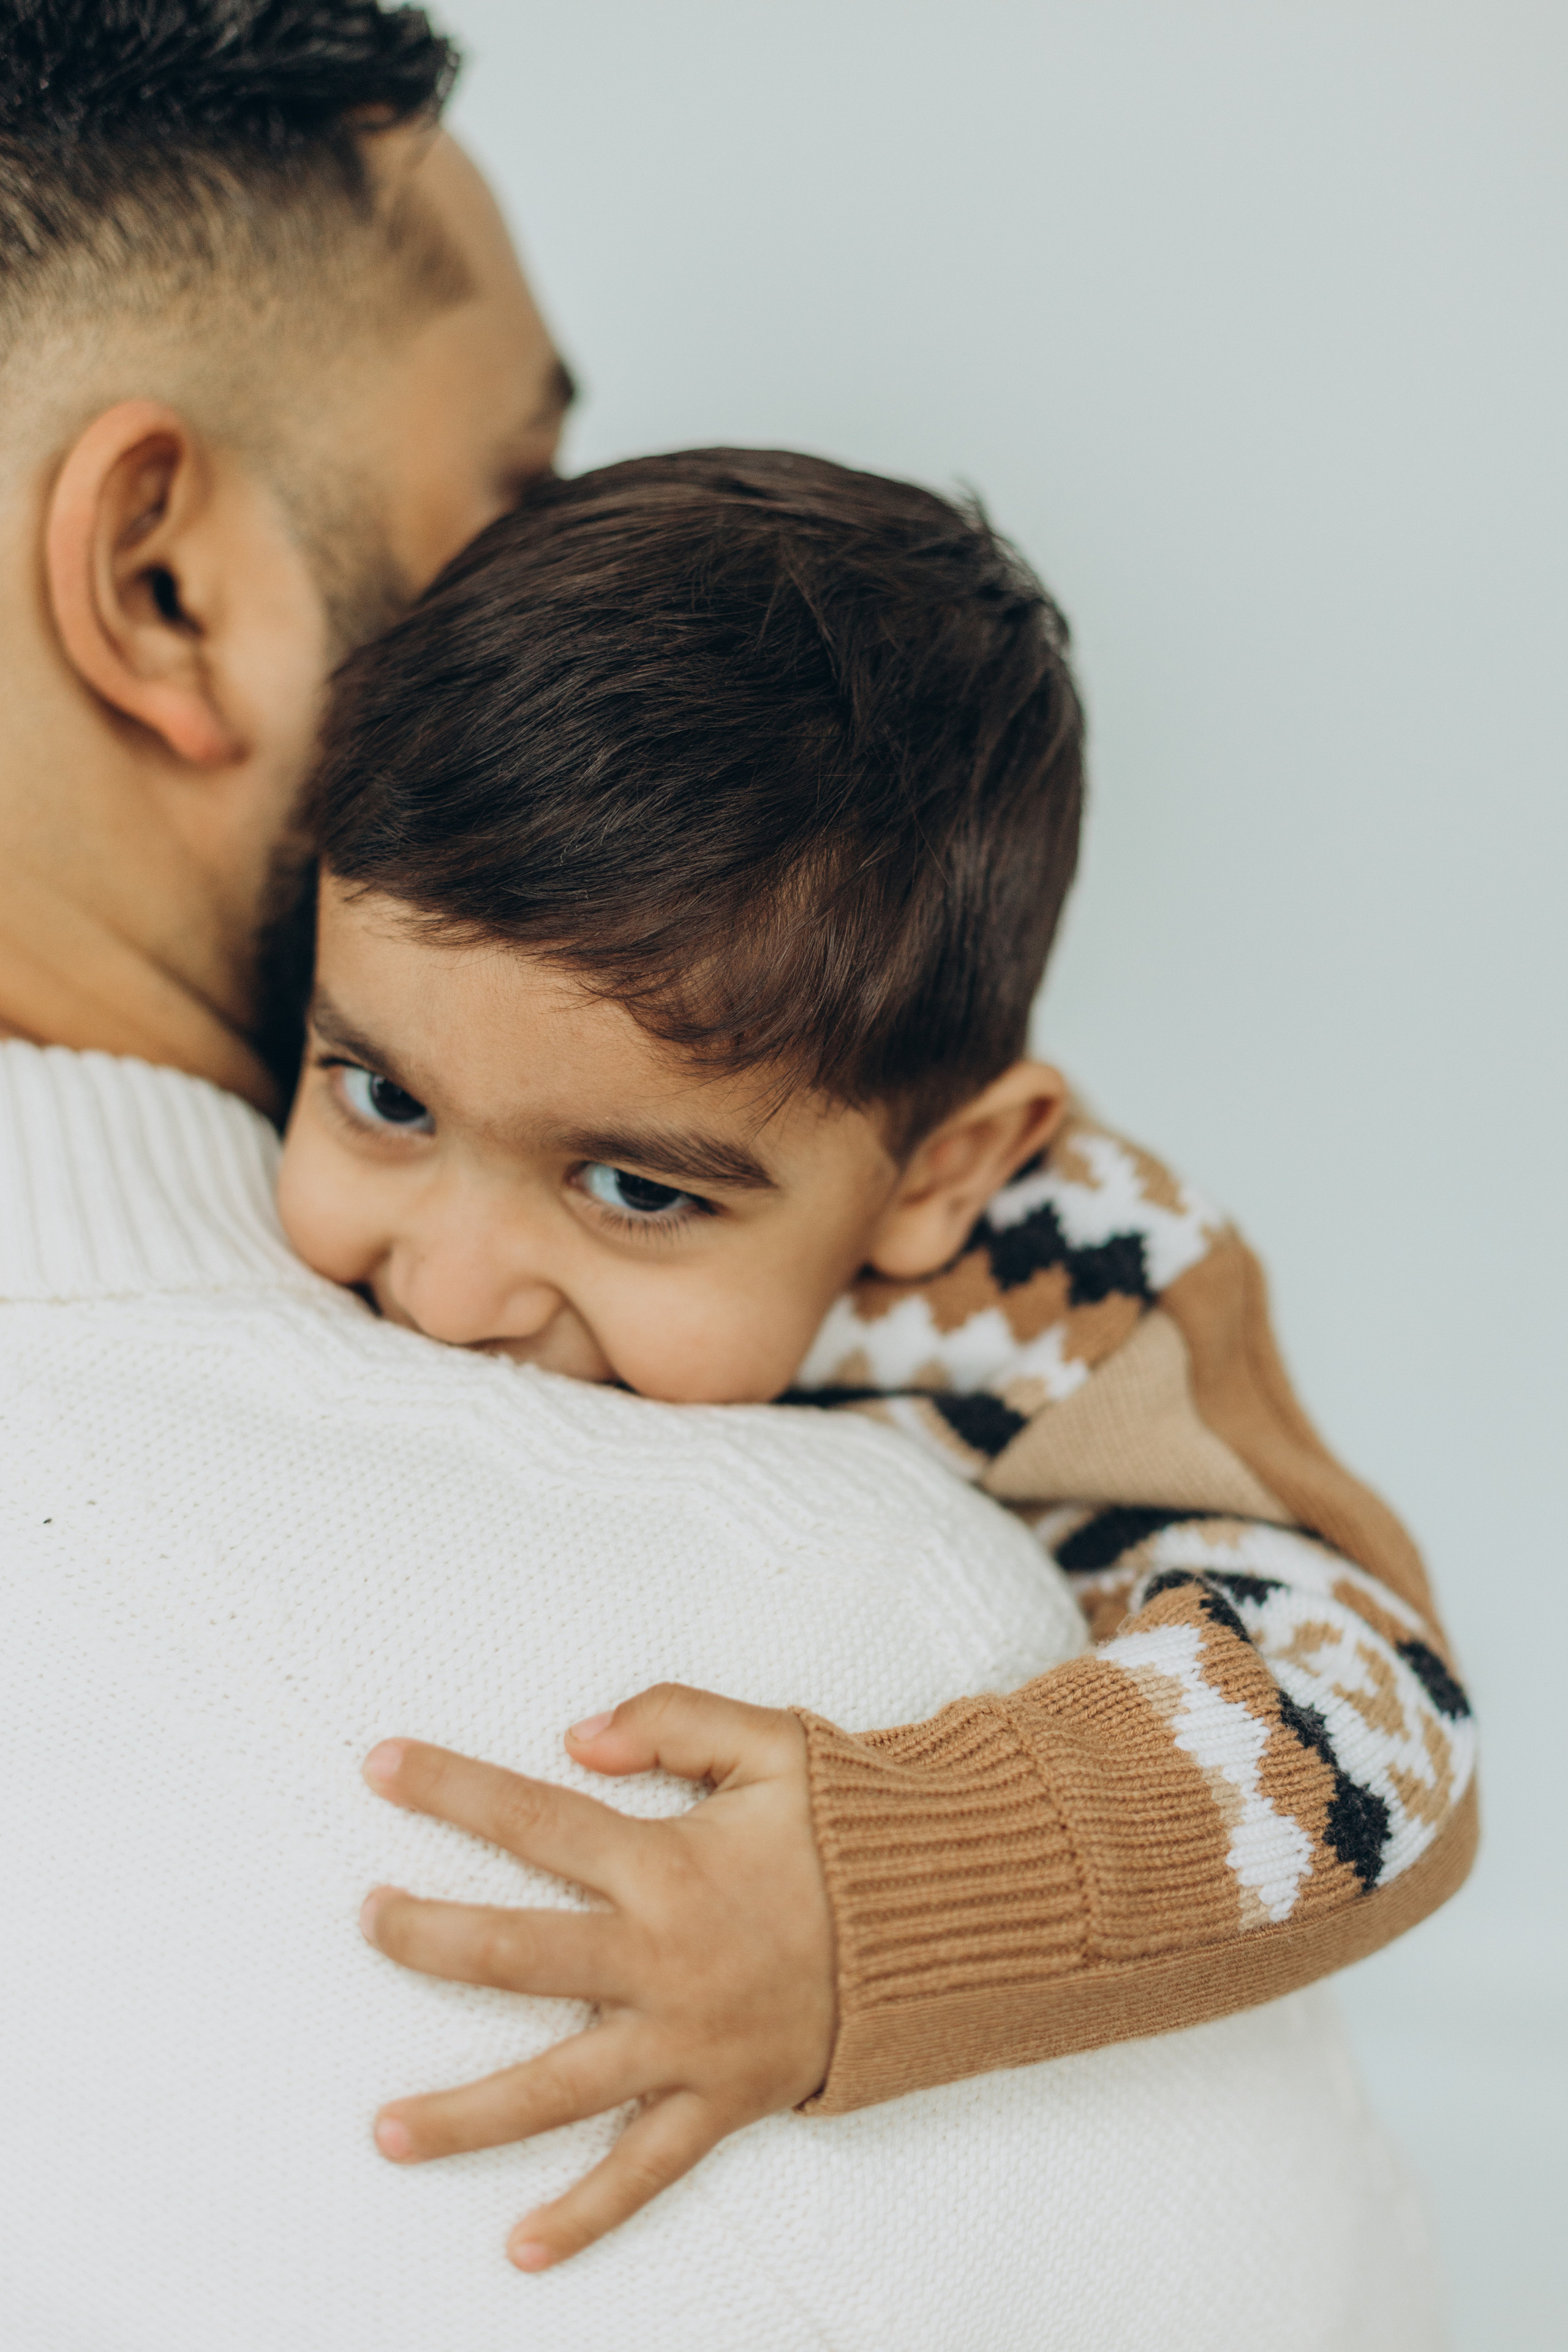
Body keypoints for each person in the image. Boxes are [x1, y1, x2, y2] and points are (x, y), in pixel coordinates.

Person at [0, 5, 1467, 2343]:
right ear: (163, 591)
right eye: (379, 1097)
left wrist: (880, 1903)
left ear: (933, 1170)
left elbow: (1370, 1700)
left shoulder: (1042, 1278)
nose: (457, 1290)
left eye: (642, 1193)